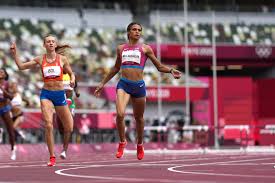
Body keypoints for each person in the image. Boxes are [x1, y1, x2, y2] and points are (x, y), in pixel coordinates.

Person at [94, 22, 182, 160]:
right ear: (128, 32)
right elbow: (116, 68)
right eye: (134, 30)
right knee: (120, 113)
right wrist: (102, 83)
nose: (137, 32)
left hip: (139, 86)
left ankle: (139, 144)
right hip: (124, 84)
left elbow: (159, 67)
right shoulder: (121, 48)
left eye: (139, 30)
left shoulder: (145, 49)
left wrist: (171, 70)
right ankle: (122, 142)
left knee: (139, 118)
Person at [10, 35, 75, 166]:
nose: (50, 43)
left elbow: (71, 73)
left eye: (52, 41)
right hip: (46, 94)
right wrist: (15, 54)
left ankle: (64, 149)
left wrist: (72, 80)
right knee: (48, 125)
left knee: (69, 127)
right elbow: (21, 67)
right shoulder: (40, 59)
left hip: (60, 94)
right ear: (44, 45)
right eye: (48, 42)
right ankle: (52, 156)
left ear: (55, 45)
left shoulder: (62, 59)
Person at [56, 71, 80, 159]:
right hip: (59, 102)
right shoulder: (57, 74)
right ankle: (64, 141)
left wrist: (77, 92)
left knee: (68, 125)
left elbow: (76, 84)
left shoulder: (71, 74)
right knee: (60, 127)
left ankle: (64, 150)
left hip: (69, 101)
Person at [0, 68, 16, 160]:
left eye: (2, 72)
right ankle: (0, 131)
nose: (0, 73)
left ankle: (13, 149)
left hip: (5, 108)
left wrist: (3, 90)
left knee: (10, 130)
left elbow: (11, 97)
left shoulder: (7, 84)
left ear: (5, 75)